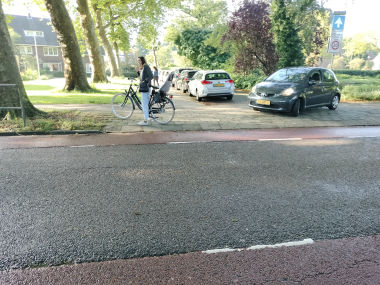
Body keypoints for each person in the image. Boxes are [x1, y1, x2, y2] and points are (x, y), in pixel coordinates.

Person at [137, 56, 153, 126]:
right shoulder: (143, 67)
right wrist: (138, 72)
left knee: (144, 104)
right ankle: (147, 118)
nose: (138, 62)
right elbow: (141, 78)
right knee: (145, 104)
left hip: (146, 88)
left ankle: (146, 121)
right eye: (138, 61)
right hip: (144, 87)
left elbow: (151, 76)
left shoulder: (146, 66)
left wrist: (144, 81)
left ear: (143, 60)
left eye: (139, 60)